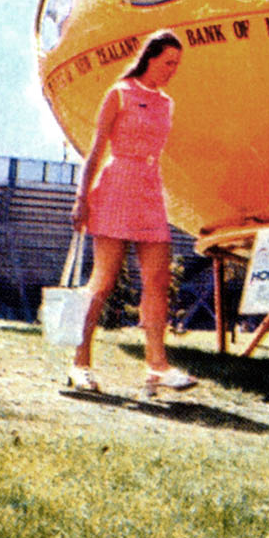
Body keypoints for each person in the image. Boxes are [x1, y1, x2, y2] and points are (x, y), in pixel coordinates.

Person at [67, 30, 197, 395]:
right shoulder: (119, 93)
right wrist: (81, 198)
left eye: (177, 64)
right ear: (150, 57)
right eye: (168, 61)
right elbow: (95, 151)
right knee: (104, 281)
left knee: (156, 280)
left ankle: (157, 367)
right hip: (116, 184)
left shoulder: (167, 103)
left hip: (149, 189)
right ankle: (80, 364)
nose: (173, 69)